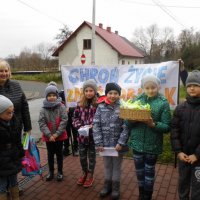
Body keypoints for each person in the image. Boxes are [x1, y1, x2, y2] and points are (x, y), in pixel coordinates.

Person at [127, 74, 171, 200]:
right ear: (142, 88)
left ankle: (148, 196)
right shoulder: (137, 100)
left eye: (153, 87)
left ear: (158, 87)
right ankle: (141, 194)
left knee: (149, 172)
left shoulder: (163, 103)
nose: (150, 90)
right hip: (137, 143)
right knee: (139, 172)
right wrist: (132, 120)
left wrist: (153, 124)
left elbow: (167, 127)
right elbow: (126, 122)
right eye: (147, 88)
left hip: (153, 144)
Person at [0, 59, 32, 195]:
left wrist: (28, 127)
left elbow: (24, 106)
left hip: (15, 129)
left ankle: (13, 185)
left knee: (13, 157)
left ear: (10, 72)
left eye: (6, 70)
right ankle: (3, 187)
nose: (4, 73)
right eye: (1, 71)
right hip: (1, 132)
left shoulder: (16, 86)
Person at [93, 82, 129, 200]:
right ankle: (107, 186)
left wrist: (121, 143)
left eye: (115, 93)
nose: (113, 95)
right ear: (106, 94)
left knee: (116, 167)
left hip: (117, 146)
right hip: (105, 145)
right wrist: (99, 142)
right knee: (107, 166)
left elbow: (126, 127)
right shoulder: (100, 107)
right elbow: (96, 125)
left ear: (119, 94)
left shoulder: (123, 107)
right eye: (110, 93)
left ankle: (115, 188)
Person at [171, 70, 200, 200]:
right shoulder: (180, 108)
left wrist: (197, 154)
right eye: (189, 85)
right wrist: (178, 151)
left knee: (197, 188)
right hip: (183, 156)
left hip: (198, 159)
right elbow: (174, 131)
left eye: (196, 85)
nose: (192, 88)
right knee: (183, 184)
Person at [38, 83, 68, 182]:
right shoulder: (43, 109)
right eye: (49, 96)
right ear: (46, 97)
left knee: (59, 154)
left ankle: (60, 171)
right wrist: (49, 135)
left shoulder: (61, 106)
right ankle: (51, 171)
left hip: (59, 136)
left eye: (54, 95)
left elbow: (64, 120)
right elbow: (41, 123)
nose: (52, 97)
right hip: (48, 137)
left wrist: (56, 134)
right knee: (50, 154)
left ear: (57, 96)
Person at [72, 79, 98, 187]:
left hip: (93, 137)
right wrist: (79, 126)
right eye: (86, 90)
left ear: (95, 91)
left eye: (91, 90)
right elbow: (74, 118)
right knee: (82, 157)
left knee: (92, 157)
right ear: (84, 92)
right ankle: (84, 172)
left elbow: (101, 120)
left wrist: (93, 126)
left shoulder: (98, 104)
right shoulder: (79, 104)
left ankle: (90, 175)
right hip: (82, 137)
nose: (88, 93)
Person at [0, 95, 24, 200]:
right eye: (8, 113)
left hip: (13, 157)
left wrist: (21, 151)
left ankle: (16, 197)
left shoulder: (15, 121)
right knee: (2, 186)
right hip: (1, 162)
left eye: (12, 112)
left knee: (14, 182)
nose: (11, 115)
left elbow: (18, 140)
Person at [58, 90, 78, 156]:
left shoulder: (73, 91)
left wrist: (71, 108)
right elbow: (59, 103)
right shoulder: (61, 93)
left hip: (73, 116)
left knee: (75, 132)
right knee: (66, 133)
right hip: (65, 117)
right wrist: (64, 108)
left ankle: (76, 147)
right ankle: (66, 148)